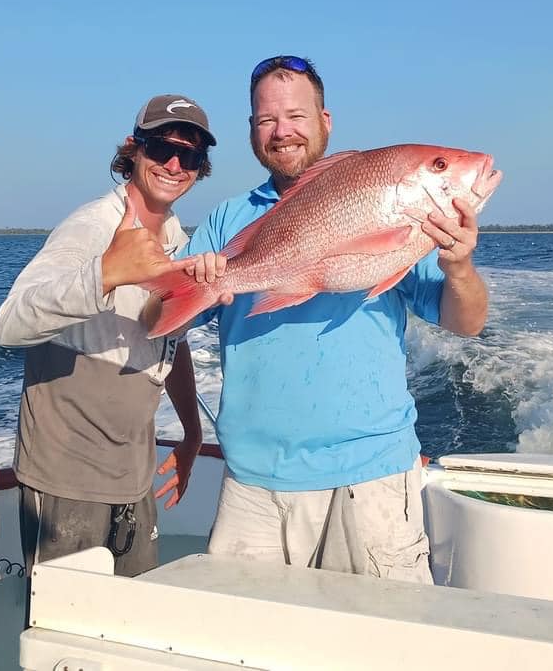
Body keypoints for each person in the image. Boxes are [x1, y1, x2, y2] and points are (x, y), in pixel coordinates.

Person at [183, 56, 489, 583]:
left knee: (383, 631)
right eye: (267, 120)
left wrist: (459, 266)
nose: (282, 132)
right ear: (252, 130)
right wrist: (190, 286)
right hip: (253, 482)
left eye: (296, 116)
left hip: (370, 478)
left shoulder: (409, 218)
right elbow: (166, 321)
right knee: (245, 630)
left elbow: (467, 323)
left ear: (325, 121)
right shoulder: (227, 219)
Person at [0, 94, 215, 580]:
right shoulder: (92, 227)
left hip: (134, 477)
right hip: (66, 480)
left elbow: (169, 343)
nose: (174, 165)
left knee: (130, 615)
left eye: (190, 156)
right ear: (134, 149)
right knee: (64, 624)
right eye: (162, 148)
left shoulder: (179, 244)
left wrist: (192, 433)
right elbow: (10, 323)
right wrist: (105, 273)